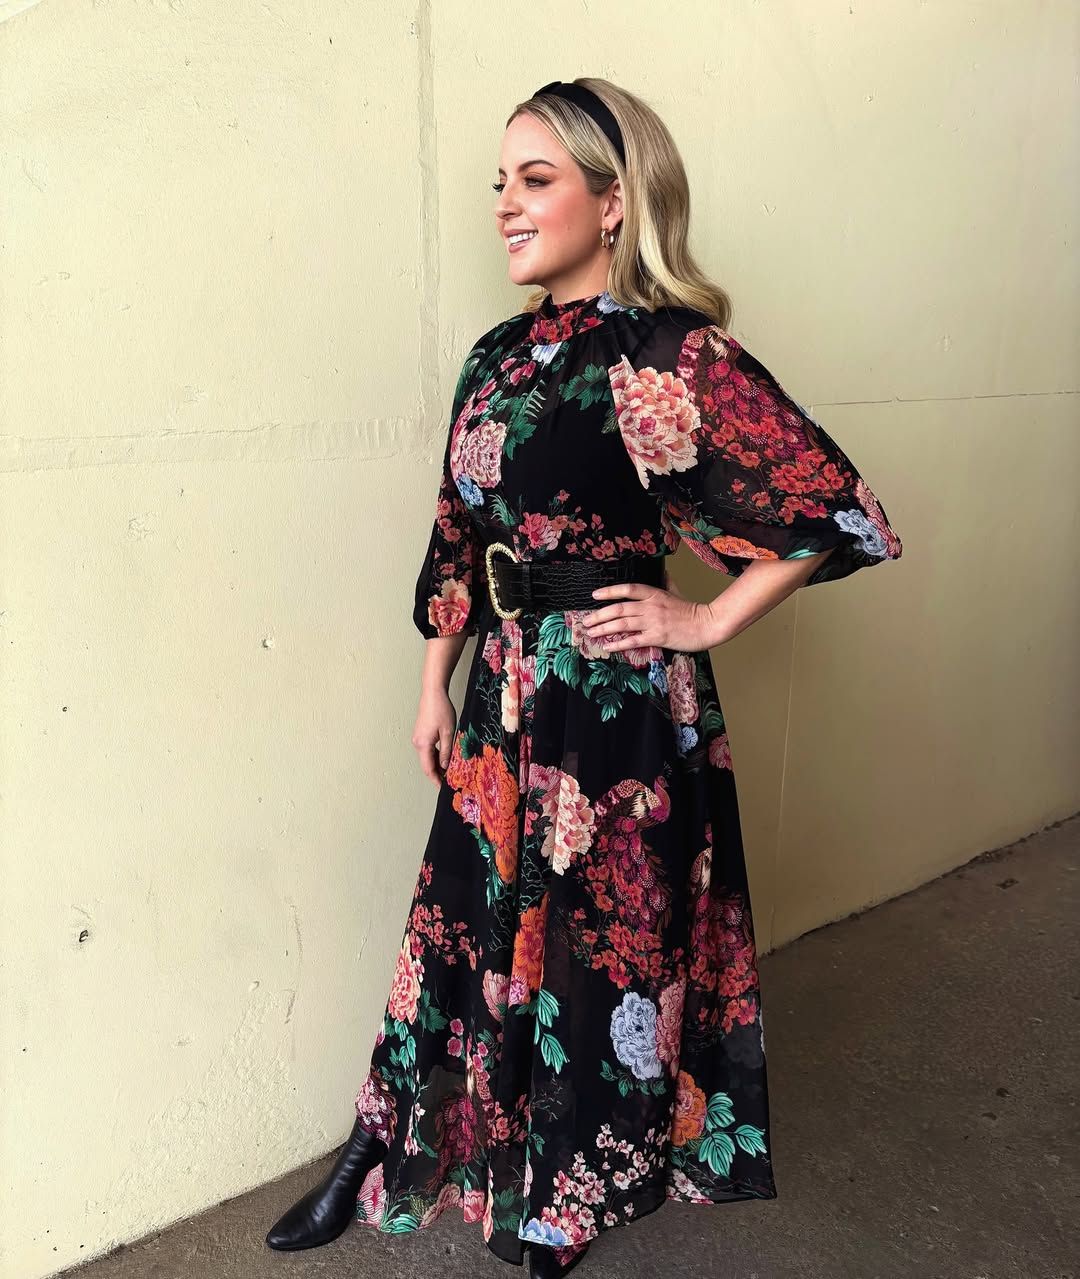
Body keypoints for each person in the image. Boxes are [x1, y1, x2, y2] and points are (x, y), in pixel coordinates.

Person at [266, 76, 903, 1277]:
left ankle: (571, 1186)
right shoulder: (497, 355)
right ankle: (385, 1140)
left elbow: (833, 511)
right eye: (499, 183)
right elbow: (456, 533)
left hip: (613, 706)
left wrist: (706, 616)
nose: (506, 204)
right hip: (502, 688)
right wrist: (433, 682)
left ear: (615, 203)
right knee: (459, 919)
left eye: (536, 178)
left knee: (596, 947)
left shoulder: (669, 355)